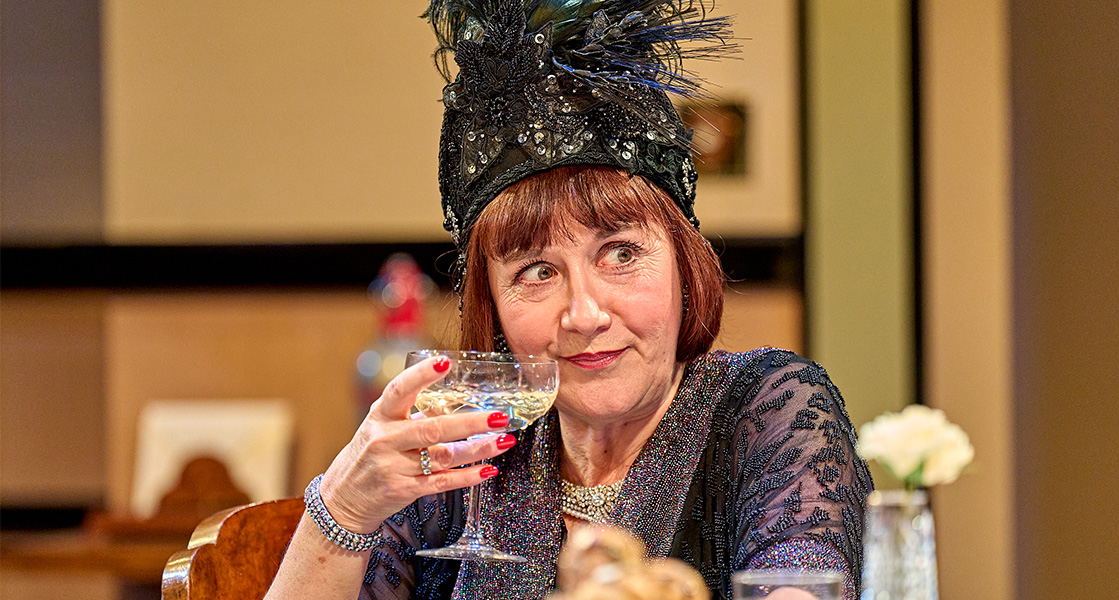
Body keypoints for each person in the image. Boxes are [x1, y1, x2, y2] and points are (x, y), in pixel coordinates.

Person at [266, 1, 872, 599]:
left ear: (685, 266)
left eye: (621, 254)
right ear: (491, 303)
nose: (585, 314)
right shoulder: (458, 456)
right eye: (536, 271)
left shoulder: (773, 411)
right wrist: (344, 503)